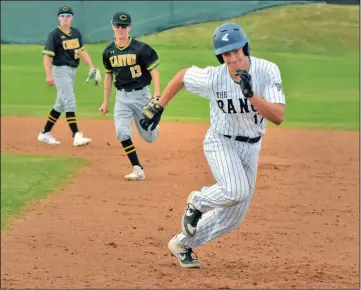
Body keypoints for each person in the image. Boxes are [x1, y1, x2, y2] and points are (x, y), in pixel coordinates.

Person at [140, 23, 286, 268]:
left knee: (233, 217)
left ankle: (181, 243)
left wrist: (251, 95)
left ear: (245, 48)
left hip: (251, 148)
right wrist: (160, 105)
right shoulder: (215, 77)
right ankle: (198, 201)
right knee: (236, 190)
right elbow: (183, 76)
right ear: (221, 56)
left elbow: (278, 115)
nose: (233, 58)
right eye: (226, 54)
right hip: (221, 141)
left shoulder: (268, 71)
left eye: (236, 51)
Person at [99, 11, 161, 181]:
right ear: (113, 27)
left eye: (124, 26)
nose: (121, 29)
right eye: (118, 25)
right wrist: (105, 102)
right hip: (122, 98)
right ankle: (137, 168)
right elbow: (108, 75)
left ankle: (154, 124)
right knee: (121, 132)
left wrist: (156, 95)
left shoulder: (141, 49)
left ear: (129, 28)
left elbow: (154, 71)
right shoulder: (108, 52)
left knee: (150, 137)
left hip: (141, 96)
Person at [38, 5, 100, 146]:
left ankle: (44, 133)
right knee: (70, 101)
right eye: (62, 16)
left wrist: (91, 66)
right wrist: (49, 75)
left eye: (67, 16)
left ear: (72, 18)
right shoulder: (54, 35)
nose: (65, 18)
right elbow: (47, 57)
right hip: (60, 70)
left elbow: (82, 51)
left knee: (60, 105)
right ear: (58, 18)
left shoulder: (76, 33)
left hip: (72, 71)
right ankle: (76, 135)